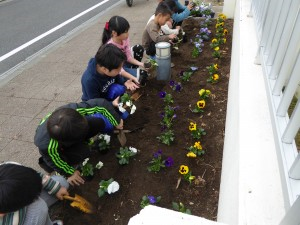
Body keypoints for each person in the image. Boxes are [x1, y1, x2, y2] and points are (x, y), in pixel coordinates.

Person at [34, 98, 123, 186]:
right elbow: (54, 160)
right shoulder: (46, 144)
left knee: (98, 122)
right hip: (62, 148)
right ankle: (75, 152)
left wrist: (116, 121)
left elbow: (101, 103)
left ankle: (83, 140)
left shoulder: (71, 112)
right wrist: (69, 173)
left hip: (73, 129)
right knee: (84, 152)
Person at [0, 162, 69, 225]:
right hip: (21, 220)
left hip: (16, 203)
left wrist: (55, 188)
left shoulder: (9, 168)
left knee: (62, 182)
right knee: (39, 208)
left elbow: (33, 175)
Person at [102, 16, 149, 83]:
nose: (128, 34)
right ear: (114, 33)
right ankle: (130, 78)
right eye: (125, 32)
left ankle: (134, 72)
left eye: (127, 31)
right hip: (118, 70)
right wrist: (133, 77)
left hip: (124, 62)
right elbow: (119, 70)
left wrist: (142, 64)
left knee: (138, 48)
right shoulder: (111, 48)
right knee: (143, 75)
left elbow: (128, 57)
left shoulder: (125, 39)